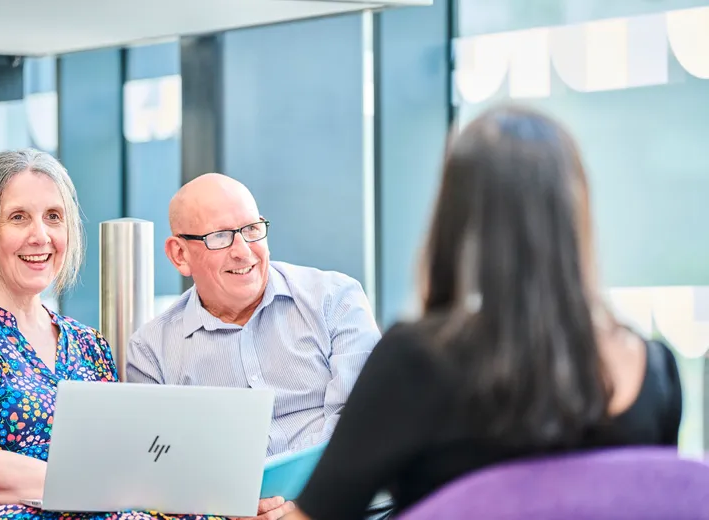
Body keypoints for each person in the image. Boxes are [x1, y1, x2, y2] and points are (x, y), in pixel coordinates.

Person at [289, 105, 684, 520]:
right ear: (574, 217)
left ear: (455, 219)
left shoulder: (415, 363)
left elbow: (317, 515)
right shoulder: (654, 372)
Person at [0, 150, 292, 520]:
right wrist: (111, 486)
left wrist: (221, 501)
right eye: (18, 218)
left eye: (54, 217)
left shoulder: (89, 345)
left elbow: (134, 460)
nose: (40, 236)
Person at [126, 173, 381, 459]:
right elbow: (160, 463)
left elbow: (362, 421)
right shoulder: (151, 352)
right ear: (180, 255)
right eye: (220, 237)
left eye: (251, 229)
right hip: (225, 504)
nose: (243, 251)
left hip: (341, 495)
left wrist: (297, 498)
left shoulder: (336, 299)